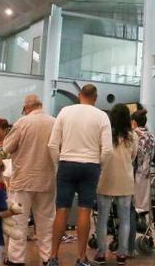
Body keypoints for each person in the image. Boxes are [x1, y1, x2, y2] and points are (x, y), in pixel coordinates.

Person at [48, 84, 113, 266]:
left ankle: (53, 257)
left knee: (61, 210)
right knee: (85, 210)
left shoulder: (65, 112)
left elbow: (52, 145)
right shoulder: (101, 116)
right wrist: (99, 166)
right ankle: (81, 258)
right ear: (95, 97)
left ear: (79, 95)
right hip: (91, 165)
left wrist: (58, 164)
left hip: (66, 163)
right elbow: (107, 150)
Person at [3, 95, 57, 266]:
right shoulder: (54, 122)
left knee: (18, 221)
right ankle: (47, 258)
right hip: (47, 180)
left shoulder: (22, 123)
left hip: (23, 180)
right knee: (46, 222)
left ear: (26, 108)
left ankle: (16, 259)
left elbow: (6, 147)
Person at [94, 104, 137, 266]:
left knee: (102, 219)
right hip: (125, 180)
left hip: (105, 179)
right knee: (125, 219)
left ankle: (101, 253)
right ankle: (122, 254)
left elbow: (100, 153)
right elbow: (133, 156)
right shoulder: (133, 136)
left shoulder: (105, 134)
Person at [131, 108, 155, 215]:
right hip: (148, 173)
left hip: (135, 174)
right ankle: (145, 225)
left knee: (134, 204)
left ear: (134, 122)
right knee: (144, 205)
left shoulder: (134, 135)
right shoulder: (151, 136)